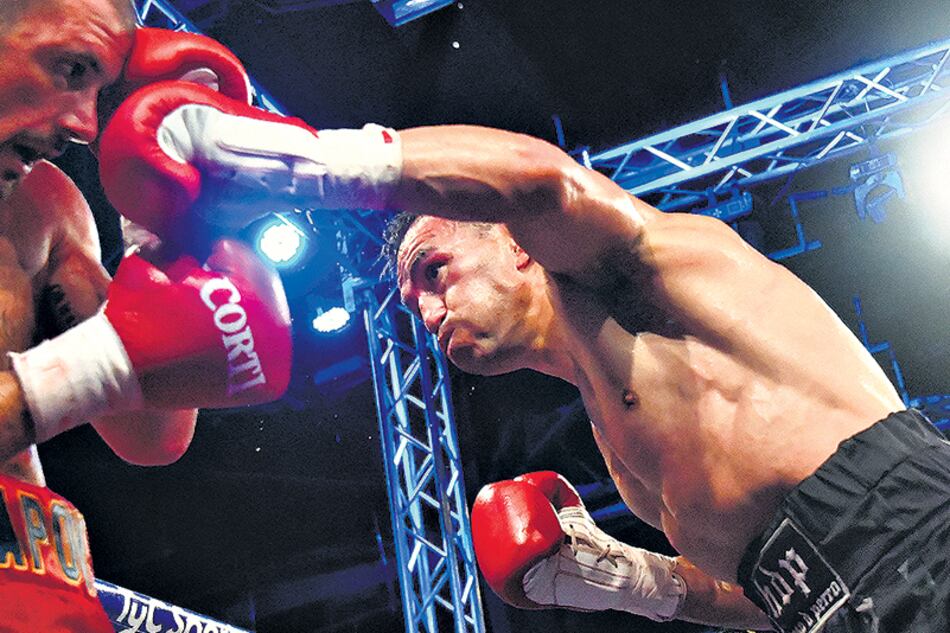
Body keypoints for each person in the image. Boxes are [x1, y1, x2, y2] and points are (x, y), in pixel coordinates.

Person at [95, 80, 950, 631]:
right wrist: (631, 581)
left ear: (517, 248)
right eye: (413, 298)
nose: (426, 311)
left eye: (435, 270)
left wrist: (310, 165)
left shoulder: (642, 272)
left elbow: (542, 182)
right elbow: (770, 595)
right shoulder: (620, 448)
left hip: (920, 531)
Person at [0, 3, 291, 630]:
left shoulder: (44, 205)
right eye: (70, 68)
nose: (83, 125)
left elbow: (151, 436)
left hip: (42, 583)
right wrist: (73, 378)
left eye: (99, 91)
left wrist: (169, 231)